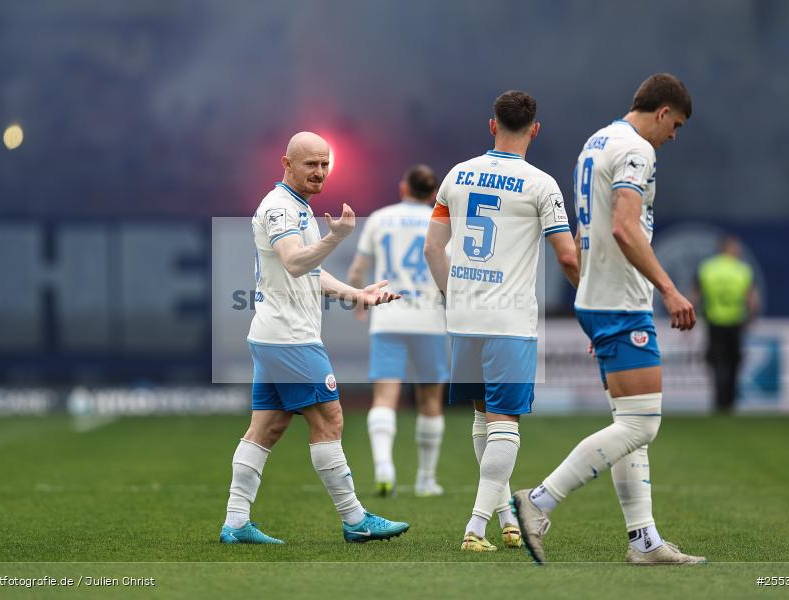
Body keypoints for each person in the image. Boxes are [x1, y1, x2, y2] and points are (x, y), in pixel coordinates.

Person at [512, 73, 707, 565]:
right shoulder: (637, 150)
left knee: (629, 421)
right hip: (621, 300)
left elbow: (585, 231)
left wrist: (589, 299)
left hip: (601, 299)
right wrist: (669, 290)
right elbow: (623, 226)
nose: (673, 136)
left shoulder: (596, 142)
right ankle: (538, 501)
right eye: (676, 125)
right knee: (642, 426)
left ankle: (644, 541)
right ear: (663, 112)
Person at [221, 131, 409, 545]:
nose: (320, 172)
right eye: (311, 164)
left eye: (325, 164)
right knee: (329, 419)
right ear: (286, 163)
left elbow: (310, 272)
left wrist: (358, 294)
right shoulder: (279, 208)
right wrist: (335, 237)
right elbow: (293, 263)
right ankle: (355, 519)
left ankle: (235, 522)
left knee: (266, 429)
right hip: (290, 338)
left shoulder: (298, 207)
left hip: (275, 336)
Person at [424, 91, 580, 552]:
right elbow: (567, 256)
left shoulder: (456, 175)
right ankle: (475, 528)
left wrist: (453, 296)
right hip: (509, 319)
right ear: (535, 129)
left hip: (465, 317)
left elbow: (433, 249)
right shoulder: (541, 184)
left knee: (483, 418)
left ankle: (507, 519)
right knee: (505, 421)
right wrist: (591, 301)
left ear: (492, 125)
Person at [347, 165, 449, 497]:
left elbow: (357, 270)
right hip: (429, 321)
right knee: (430, 398)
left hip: (388, 319)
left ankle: (383, 466)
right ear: (434, 193)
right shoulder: (441, 221)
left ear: (403, 187)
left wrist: (359, 300)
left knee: (384, 397)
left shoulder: (380, 218)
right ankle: (426, 479)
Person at [696, 236, 759, 413]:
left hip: (714, 322)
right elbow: (752, 298)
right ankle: (730, 401)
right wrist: (751, 317)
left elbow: (696, 294)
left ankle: (720, 401)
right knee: (734, 362)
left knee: (717, 363)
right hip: (735, 322)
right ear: (729, 249)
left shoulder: (707, 268)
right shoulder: (742, 269)